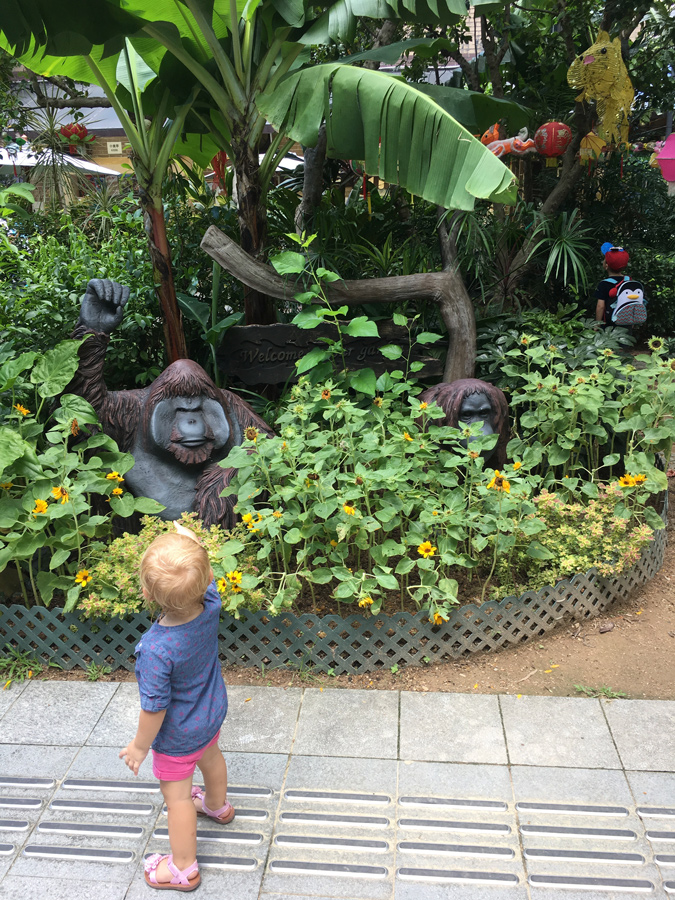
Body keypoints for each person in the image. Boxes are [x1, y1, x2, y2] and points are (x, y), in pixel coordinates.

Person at [120, 521, 234, 892]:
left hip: (179, 734)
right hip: (211, 709)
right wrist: (191, 540)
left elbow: (154, 707)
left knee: (178, 797)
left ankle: (183, 868)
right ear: (207, 579)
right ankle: (218, 806)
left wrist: (139, 746)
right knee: (212, 756)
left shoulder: (156, 648)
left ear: (146, 594)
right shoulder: (211, 603)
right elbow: (206, 573)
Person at [595, 242, 630, 326]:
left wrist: (597, 325)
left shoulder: (603, 284)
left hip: (609, 325)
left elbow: (600, 306)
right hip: (626, 324)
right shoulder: (628, 281)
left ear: (606, 265)